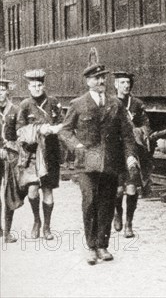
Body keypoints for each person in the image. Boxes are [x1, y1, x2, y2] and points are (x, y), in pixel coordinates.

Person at [60, 64, 138, 265]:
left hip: (110, 162)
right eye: (96, 79)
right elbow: (65, 131)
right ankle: (91, 246)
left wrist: (130, 156)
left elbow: (127, 135)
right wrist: (76, 145)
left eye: (103, 78)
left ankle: (103, 245)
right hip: (86, 163)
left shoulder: (115, 104)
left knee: (106, 203)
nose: (101, 81)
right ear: (88, 81)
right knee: (89, 201)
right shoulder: (78, 104)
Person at [16, 69, 62, 240]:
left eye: (40, 85)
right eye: (33, 85)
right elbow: (19, 130)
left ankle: (47, 227)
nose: (37, 88)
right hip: (32, 154)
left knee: (48, 189)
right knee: (33, 192)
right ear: (28, 87)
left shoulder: (53, 102)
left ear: (44, 85)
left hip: (50, 152)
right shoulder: (25, 105)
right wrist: (37, 130)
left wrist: (55, 128)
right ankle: (37, 220)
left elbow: (63, 123)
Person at [112, 71, 153, 239]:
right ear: (116, 85)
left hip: (132, 151)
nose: (126, 86)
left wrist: (140, 131)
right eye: (122, 83)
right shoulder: (111, 103)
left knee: (131, 188)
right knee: (117, 190)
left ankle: (129, 223)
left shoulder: (136, 104)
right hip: (115, 152)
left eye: (128, 82)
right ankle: (117, 212)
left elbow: (145, 124)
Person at [0, 78, 21, 243]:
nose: (0, 93)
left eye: (2, 90)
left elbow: (20, 133)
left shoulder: (15, 110)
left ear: (7, 91)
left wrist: (11, 148)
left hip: (9, 157)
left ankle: (7, 231)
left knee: (9, 193)